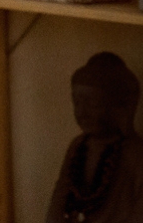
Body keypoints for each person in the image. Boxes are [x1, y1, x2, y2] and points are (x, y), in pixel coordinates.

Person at [49, 52, 143, 223]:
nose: (82, 112)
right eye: (76, 102)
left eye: (92, 103)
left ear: (117, 107)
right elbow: (60, 198)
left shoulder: (136, 153)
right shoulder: (77, 146)